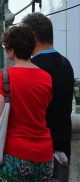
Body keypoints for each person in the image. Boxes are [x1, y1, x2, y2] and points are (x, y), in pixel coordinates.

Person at [0, 25, 54, 181]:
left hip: (16, 153)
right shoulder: (46, 77)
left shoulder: (4, 75)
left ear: (12, 51)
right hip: (44, 154)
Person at [22, 13, 74, 182]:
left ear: (33, 38)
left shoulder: (32, 69)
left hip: (38, 152)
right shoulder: (66, 64)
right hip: (63, 148)